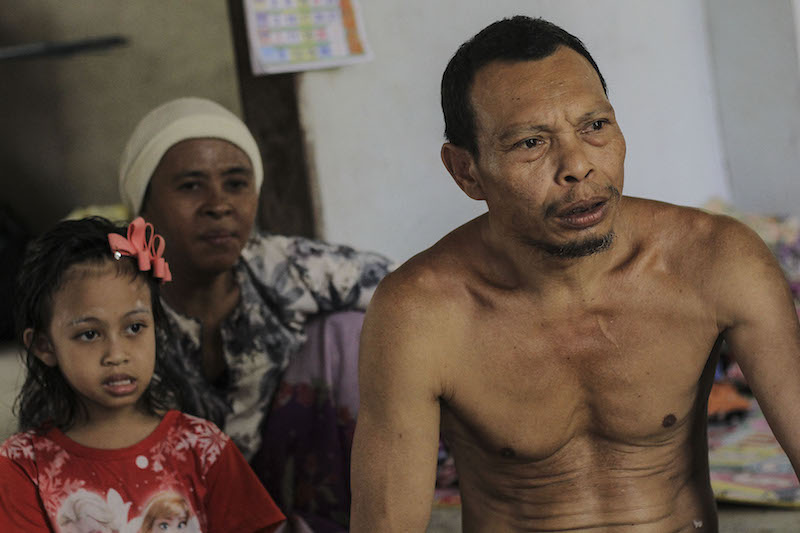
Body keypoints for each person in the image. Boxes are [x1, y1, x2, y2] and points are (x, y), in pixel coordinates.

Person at [350, 15, 800, 532]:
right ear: (466, 171)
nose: (578, 166)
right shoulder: (419, 314)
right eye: (530, 143)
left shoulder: (715, 260)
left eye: (594, 127)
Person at [118, 97, 393, 530]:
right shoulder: (112, 291)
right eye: (190, 185)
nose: (218, 204)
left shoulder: (280, 266)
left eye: (236, 183)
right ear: (144, 206)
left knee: (350, 333)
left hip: (280, 482)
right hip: (165, 504)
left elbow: (416, 291)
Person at [0, 216, 285, 532]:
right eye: (90, 334)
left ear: (157, 329)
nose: (117, 354)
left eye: (135, 327)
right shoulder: (22, 466)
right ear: (44, 346)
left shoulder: (203, 448)